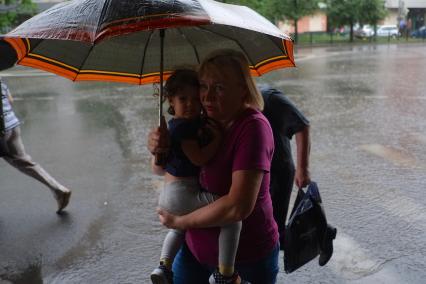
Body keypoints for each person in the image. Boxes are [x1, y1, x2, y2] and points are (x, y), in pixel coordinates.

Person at [148, 50, 278, 284]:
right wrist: (158, 148)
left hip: (244, 259)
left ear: (242, 89)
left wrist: (179, 223)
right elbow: (162, 170)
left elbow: (236, 208)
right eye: (203, 86)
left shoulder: (253, 128)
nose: (207, 97)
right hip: (194, 249)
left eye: (219, 87)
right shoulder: (204, 120)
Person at [149, 69, 242, 284]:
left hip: (169, 195)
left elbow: (160, 167)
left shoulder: (177, 125)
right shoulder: (182, 128)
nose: (190, 104)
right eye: (183, 99)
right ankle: (225, 273)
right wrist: (217, 140)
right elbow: (199, 159)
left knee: (179, 229)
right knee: (231, 217)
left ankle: (164, 266)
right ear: (171, 100)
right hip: (181, 193)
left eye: (194, 99)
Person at [0, 77, 71, 214]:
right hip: (13, 126)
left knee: (22, 162)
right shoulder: (1, 80)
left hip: (1, 132)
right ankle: (58, 189)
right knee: (25, 162)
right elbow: (10, 100)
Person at [259, 85, 311, 248]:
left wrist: (302, 169)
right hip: (253, 174)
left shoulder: (268, 98)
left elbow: (302, 125)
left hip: (277, 173)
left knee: (272, 232)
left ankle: (318, 233)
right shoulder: (220, 105)